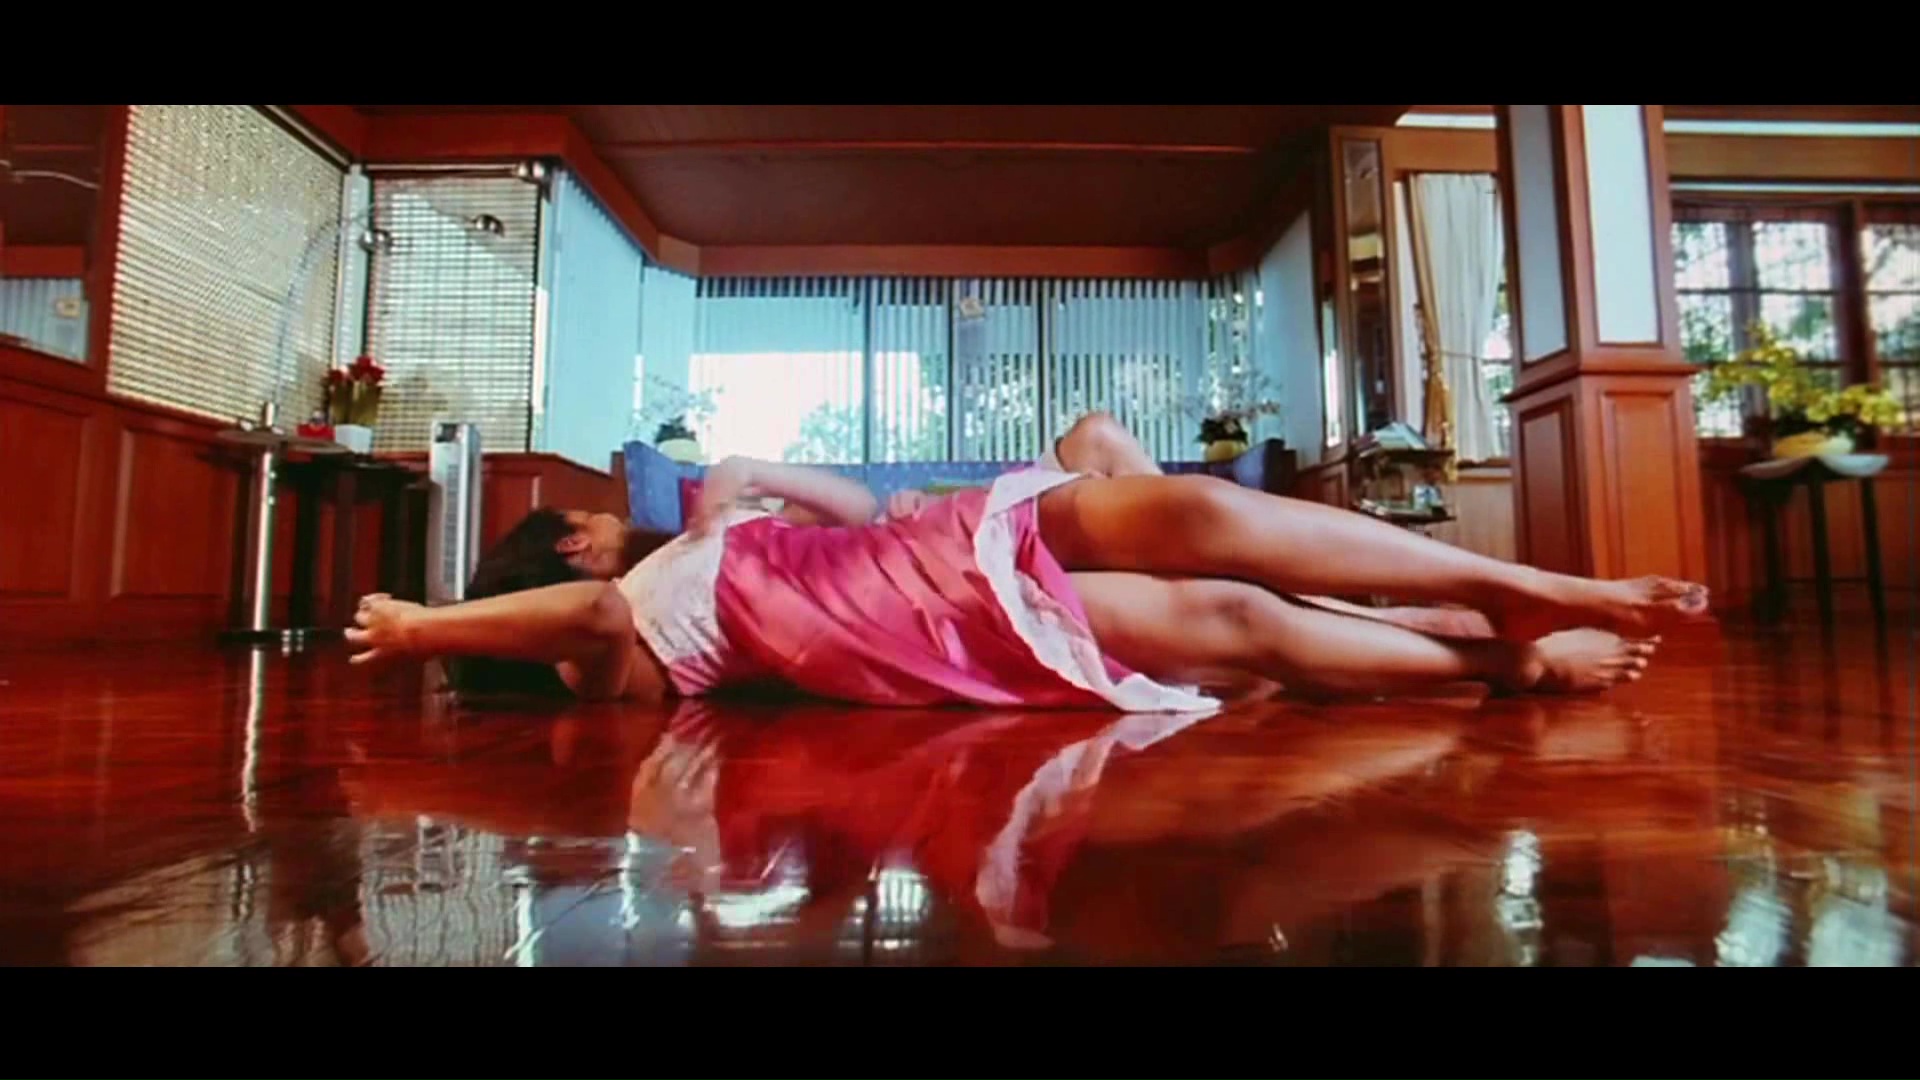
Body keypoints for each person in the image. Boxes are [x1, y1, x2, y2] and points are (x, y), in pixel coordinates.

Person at [348, 414, 1703, 709]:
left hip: (927, 542)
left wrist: (747, 479)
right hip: (923, 628)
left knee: (1198, 513)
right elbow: (587, 617)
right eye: (568, 537)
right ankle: (1501, 664)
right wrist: (421, 629)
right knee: (1230, 622)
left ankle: (1519, 590)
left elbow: (843, 505)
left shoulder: (696, 535)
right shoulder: (612, 652)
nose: (590, 533)